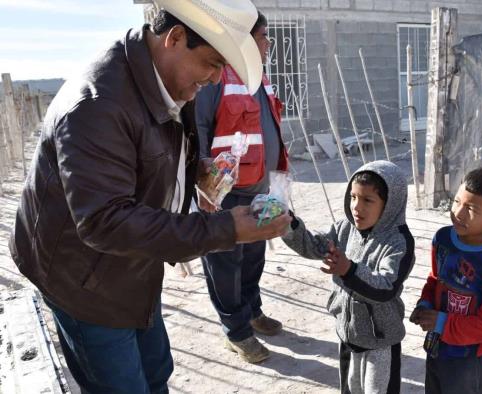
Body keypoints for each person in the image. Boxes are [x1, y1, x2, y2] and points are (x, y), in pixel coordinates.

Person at [8, 2, 292, 393]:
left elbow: (157, 144)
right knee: (122, 385)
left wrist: (196, 170)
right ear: (174, 38)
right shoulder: (97, 106)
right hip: (84, 279)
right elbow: (105, 222)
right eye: (211, 64)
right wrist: (227, 228)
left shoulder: (166, 78)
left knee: (156, 370)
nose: (213, 79)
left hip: (134, 261)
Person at [194, 11, 289, 364]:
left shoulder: (257, 76)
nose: (268, 45)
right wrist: (206, 192)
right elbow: (198, 131)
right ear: (246, 39)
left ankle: (251, 311)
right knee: (224, 264)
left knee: (253, 257)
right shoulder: (216, 75)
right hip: (225, 194)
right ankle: (235, 331)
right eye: (265, 38)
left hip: (259, 188)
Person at [282, 161, 414, 393]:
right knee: (351, 388)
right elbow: (314, 245)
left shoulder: (398, 242)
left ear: (390, 205)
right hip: (349, 332)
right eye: (353, 197)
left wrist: (349, 270)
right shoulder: (346, 227)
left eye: (367, 200)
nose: (356, 207)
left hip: (380, 340)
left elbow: (386, 287)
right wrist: (289, 225)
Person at [410, 167, 482, 394]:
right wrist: (425, 304)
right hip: (437, 347)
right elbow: (436, 279)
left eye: (471, 209)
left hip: (470, 359)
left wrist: (443, 323)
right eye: (457, 201)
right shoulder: (443, 239)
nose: (458, 213)